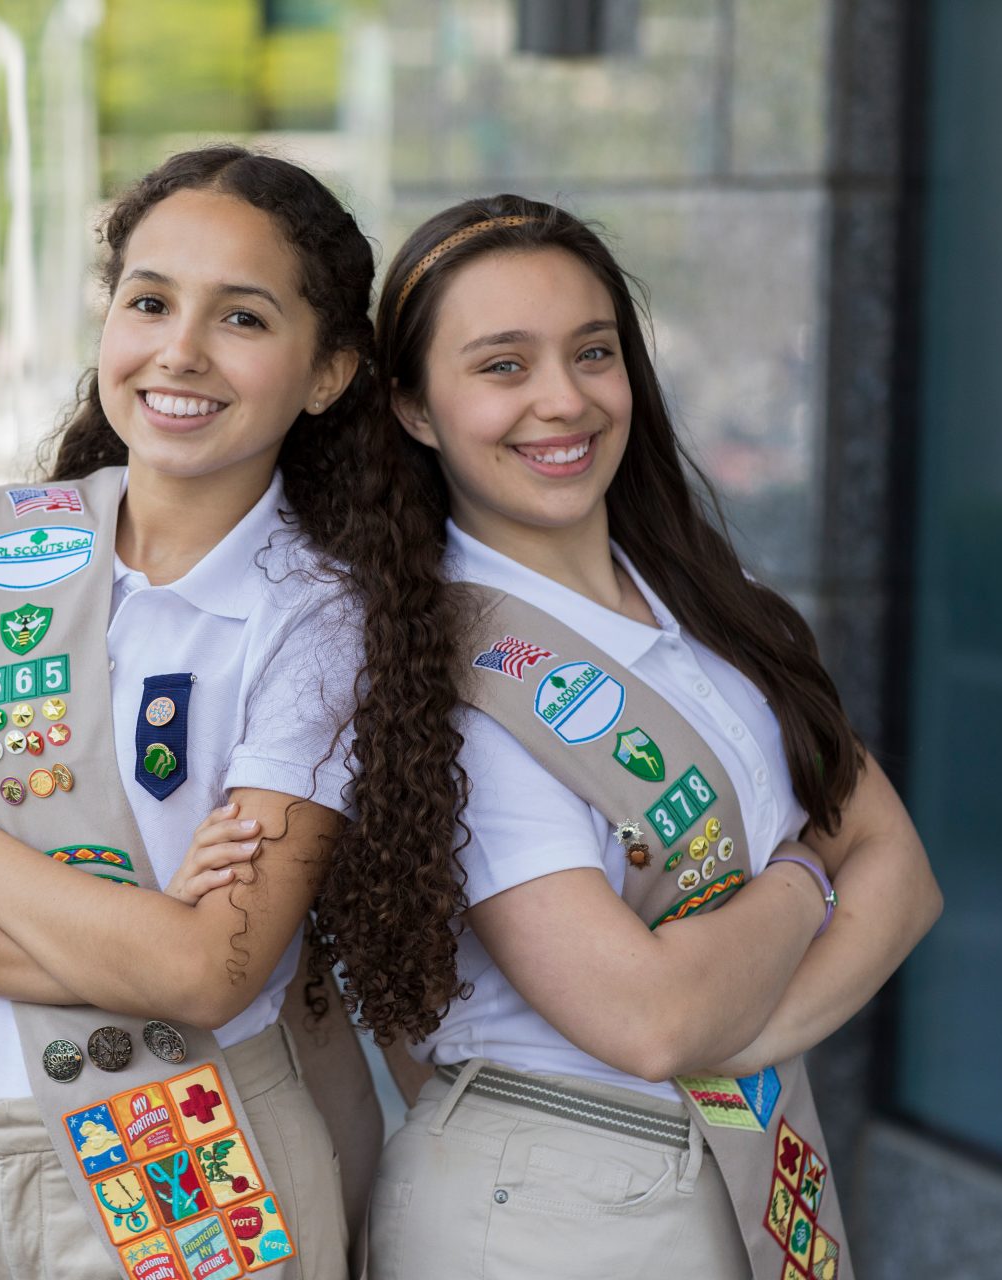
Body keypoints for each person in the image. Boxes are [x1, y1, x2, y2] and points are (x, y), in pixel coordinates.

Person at [0, 147, 448, 1280]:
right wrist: (140, 948)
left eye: (242, 318)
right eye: (149, 301)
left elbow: (210, 976)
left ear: (328, 371)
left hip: (197, 1153)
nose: (179, 351)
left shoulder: (316, 617)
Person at [304, 196, 943, 1277]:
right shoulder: (445, 676)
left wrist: (733, 1033)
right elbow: (647, 1019)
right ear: (414, 405)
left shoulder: (707, 601)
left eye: (592, 352)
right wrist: (803, 878)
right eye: (503, 365)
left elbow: (905, 872)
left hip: (733, 1137)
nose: (564, 400)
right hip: (548, 1198)